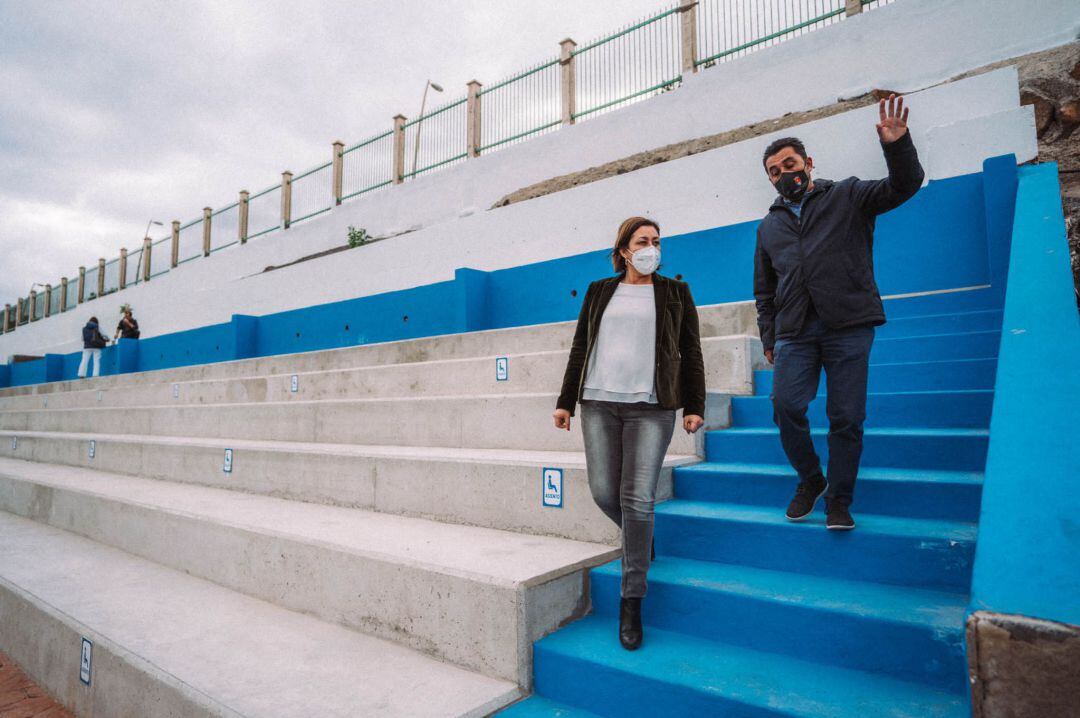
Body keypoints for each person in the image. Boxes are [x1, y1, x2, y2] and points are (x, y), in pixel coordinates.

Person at [754, 94, 925, 531]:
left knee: (846, 418)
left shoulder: (847, 195)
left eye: (789, 164)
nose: (783, 174)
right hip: (795, 333)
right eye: (774, 171)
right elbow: (764, 290)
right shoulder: (769, 226)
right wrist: (769, 338)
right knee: (785, 407)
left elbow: (903, 186)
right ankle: (811, 479)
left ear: (809, 163)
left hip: (848, 326)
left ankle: (839, 500)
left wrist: (897, 146)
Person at [554, 216, 706, 651]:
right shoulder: (600, 290)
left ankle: (631, 600)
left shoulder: (676, 292)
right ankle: (642, 536)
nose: (652, 248)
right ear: (624, 250)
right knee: (605, 492)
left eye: (657, 241)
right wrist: (565, 400)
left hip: (652, 408)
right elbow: (581, 346)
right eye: (643, 241)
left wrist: (694, 406)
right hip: (598, 403)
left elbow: (691, 351)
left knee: (637, 498)